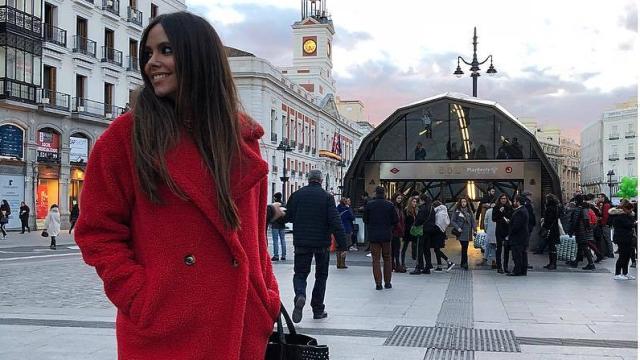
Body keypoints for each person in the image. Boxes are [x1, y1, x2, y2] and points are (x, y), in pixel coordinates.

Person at [74, 12, 280, 359]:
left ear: (199, 56)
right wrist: (143, 299)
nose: (153, 62)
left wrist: (265, 294)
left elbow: (255, 239)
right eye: (148, 54)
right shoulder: (126, 137)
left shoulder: (242, 139)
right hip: (164, 330)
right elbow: (97, 231)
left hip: (241, 324)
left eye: (166, 50)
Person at [284, 169, 347, 323]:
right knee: (321, 275)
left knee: (300, 273)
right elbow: (335, 222)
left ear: (308, 179)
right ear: (320, 180)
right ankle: (317, 309)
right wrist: (343, 245)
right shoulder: (327, 197)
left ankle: (300, 295)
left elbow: (288, 216)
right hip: (322, 243)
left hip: (301, 242)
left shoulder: (297, 195)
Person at [363, 186, 398, 290]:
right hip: (387, 235)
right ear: (385, 193)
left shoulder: (370, 205)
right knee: (387, 258)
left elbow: (365, 219)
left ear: (375, 193)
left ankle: (378, 284)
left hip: (374, 236)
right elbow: (395, 220)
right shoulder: (390, 205)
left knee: (376, 260)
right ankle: (388, 282)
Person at [567, 194, 596, 271]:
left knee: (584, 247)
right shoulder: (584, 208)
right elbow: (586, 220)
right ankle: (576, 261)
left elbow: (575, 221)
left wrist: (571, 230)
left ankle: (591, 264)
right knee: (581, 246)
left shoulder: (579, 209)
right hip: (583, 230)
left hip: (580, 230)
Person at [609, 202, 636, 280]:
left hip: (627, 237)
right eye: (630, 209)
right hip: (622, 238)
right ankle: (617, 273)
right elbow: (629, 224)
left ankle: (625, 272)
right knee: (622, 256)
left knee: (627, 256)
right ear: (626, 209)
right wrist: (634, 223)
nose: (631, 210)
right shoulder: (620, 216)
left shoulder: (627, 215)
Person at [451, 197, 476, 270]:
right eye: (462, 202)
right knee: (464, 247)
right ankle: (465, 263)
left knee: (465, 248)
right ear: (460, 203)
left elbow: (473, 220)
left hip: (468, 232)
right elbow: (452, 221)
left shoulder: (469, 211)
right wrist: (458, 227)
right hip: (461, 232)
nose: (463, 203)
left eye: (465, 202)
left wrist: (475, 229)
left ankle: (463, 263)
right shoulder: (457, 211)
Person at [508, 195, 530, 276]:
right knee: (523, 254)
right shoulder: (524, 210)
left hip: (518, 237)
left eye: (515, 201)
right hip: (523, 237)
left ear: (518, 202)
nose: (514, 203)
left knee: (517, 254)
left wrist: (510, 229)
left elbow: (516, 226)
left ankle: (517, 270)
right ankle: (523, 270)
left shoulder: (519, 212)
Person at [412, 194, 434, 274]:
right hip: (429, 231)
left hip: (421, 231)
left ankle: (419, 267)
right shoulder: (432, 208)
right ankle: (427, 267)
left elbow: (419, 220)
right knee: (427, 249)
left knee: (419, 249)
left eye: (419, 200)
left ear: (422, 200)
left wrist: (415, 224)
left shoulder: (422, 208)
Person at [492, 193, 513, 274]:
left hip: (507, 230)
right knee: (499, 248)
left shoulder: (509, 207)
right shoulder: (496, 207)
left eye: (505, 198)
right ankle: (499, 266)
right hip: (499, 230)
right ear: (499, 199)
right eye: (502, 198)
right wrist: (499, 212)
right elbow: (494, 219)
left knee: (507, 249)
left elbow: (511, 217)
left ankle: (506, 266)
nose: (503, 200)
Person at [432, 201, 455, 271]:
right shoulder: (444, 212)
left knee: (436, 249)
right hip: (442, 232)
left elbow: (437, 223)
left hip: (437, 233)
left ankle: (449, 262)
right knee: (437, 249)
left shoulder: (439, 213)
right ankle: (439, 266)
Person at [541, 194, 561, 270]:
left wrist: (545, 225)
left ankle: (552, 263)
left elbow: (548, 220)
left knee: (551, 246)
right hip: (554, 228)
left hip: (550, 229)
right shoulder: (556, 207)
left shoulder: (550, 208)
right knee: (552, 246)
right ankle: (552, 263)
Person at [336, 197, 355, 269]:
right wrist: (349, 208)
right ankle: (342, 264)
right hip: (346, 229)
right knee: (345, 247)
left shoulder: (337, 208)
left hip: (338, 229)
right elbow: (352, 217)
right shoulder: (347, 209)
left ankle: (338, 263)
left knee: (338, 247)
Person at [401, 196, 418, 271]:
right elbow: (404, 221)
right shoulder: (406, 210)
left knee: (415, 246)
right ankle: (402, 263)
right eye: (413, 202)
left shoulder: (416, 210)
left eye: (415, 202)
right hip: (407, 231)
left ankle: (416, 263)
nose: (415, 203)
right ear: (410, 202)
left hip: (414, 231)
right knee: (404, 247)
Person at [390, 193, 405, 272]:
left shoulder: (399, 208)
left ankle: (393, 265)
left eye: (400, 198)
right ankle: (396, 265)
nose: (400, 200)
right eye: (398, 198)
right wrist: (401, 230)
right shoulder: (395, 208)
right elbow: (397, 220)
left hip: (396, 231)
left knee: (394, 249)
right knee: (395, 249)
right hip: (395, 231)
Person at [270, 192, 287, 261]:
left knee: (275, 241)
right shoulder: (284, 205)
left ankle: (276, 255)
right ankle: (283, 255)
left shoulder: (273, 205)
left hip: (275, 225)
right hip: (282, 224)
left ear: (275, 198)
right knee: (283, 240)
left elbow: (271, 214)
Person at [597, 193, 614, 258]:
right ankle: (608, 252)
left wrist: (602, 223)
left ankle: (610, 253)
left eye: (599, 197)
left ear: (603, 198)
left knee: (607, 238)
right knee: (606, 238)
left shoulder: (606, 205)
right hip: (606, 224)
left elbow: (605, 216)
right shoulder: (606, 204)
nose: (598, 199)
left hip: (605, 224)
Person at [484, 203, 498, 269]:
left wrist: (486, 230)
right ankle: (494, 261)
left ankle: (487, 259)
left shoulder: (488, 211)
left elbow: (485, 222)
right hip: (497, 231)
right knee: (495, 247)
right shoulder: (499, 210)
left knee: (489, 245)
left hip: (490, 231)